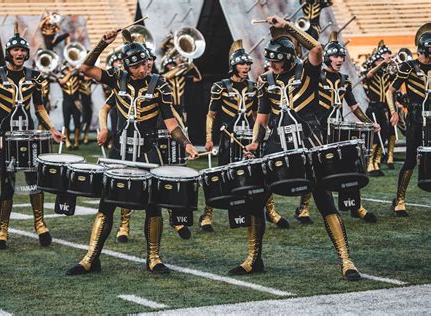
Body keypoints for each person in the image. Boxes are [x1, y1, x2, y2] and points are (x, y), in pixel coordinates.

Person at [66, 29, 197, 275]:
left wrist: (186, 143)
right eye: (137, 66)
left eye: (144, 64)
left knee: (153, 205)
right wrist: (102, 45)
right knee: (107, 205)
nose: (143, 69)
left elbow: (170, 124)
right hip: (120, 153)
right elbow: (85, 70)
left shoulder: (160, 85)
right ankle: (91, 258)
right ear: (127, 67)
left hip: (149, 153)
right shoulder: (116, 78)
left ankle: (154, 257)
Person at [244, 16, 361, 281]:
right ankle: (253, 259)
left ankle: (346, 259)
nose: (272, 64)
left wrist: (287, 27)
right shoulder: (266, 80)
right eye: (270, 60)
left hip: (310, 141)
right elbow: (262, 119)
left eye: (276, 60)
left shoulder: (307, 70)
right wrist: (254, 141)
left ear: (287, 58)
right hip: (276, 144)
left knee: (324, 200)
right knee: (256, 201)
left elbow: (317, 49)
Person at [0, 32, 63, 249]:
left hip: (28, 137)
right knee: (7, 186)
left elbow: (39, 108)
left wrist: (52, 128)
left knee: (34, 182)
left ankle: (40, 224)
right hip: (4, 138)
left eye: (23, 50)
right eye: (15, 50)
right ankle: (2, 231)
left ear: (27, 53)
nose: (19, 54)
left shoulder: (35, 76)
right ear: (8, 53)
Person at [202, 39, 289, 232]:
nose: (246, 67)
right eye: (242, 64)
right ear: (233, 66)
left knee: (260, 175)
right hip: (229, 138)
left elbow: (257, 115)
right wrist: (208, 138)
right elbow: (211, 115)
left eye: (248, 64)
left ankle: (271, 212)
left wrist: (260, 137)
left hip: (249, 139)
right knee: (221, 174)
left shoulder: (255, 86)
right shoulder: (220, 86)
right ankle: (207, 215)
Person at [311, 31, 379, 223]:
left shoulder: (344, 80)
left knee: (350, 167)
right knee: (315, 169)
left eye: (341, 56)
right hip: (318, 131)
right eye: (335, 56)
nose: (339, 59)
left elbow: (355, 108)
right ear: (326, 58)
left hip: (338, 130)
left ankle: (356, 207)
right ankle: (304, 208)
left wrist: (368, 122)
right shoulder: (315, 78)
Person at [388, 23, 431, 217]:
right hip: (415, 118)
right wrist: (394, 111)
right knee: (410, 160)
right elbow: (390, 91)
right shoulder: (408, 66)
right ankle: (400, 199)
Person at [364, 42, 394, 176]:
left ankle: (376, 162)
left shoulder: (386, 74)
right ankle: (370, 163)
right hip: (373, 108)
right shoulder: (371, 73)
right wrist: (382, 63)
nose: (381, 62)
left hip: (383, 108)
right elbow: (369, 75)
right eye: (379, 60)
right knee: (374, 137)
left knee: (384, 134)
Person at [57, 62, 82, 149]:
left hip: (76, 102)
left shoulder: (76, 76)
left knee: (77, 122)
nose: (67, 70)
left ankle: (76, 141)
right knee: (66, 122)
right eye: (65, 69)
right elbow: (63, 81)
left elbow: (85, 75)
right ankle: (67, 141)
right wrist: (70, 72)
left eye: (67, 69)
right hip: (66, 102)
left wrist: (76, 68)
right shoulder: (60, 77)